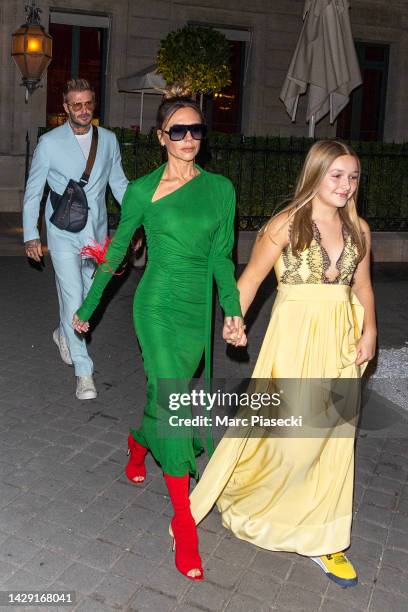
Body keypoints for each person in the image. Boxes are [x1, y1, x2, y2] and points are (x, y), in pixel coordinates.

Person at [72, 84, 244, 580]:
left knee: (166, 395)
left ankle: (138, 440)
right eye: (179, 131)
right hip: (156, 307)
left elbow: (221, 257)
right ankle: (183, 519)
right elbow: (118, 251)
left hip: (196, 312)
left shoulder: (221, 189)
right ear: (161, 136)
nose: (189, 138)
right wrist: (86, 307)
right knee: (174, 401)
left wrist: (231, 311)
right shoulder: (143, 191)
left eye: (196, 130)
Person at [189, 139, 377, 588]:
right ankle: (258, 499)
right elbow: (250, 279)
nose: (346, 185)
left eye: (352, 177)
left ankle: (322, 537)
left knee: (333, 441)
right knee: (292, 439)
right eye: (336, 175)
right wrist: (234, 320)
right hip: (293, 341)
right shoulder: (286, 225)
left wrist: (370, 331)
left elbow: (363, 287)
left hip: (341, 341)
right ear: (315, 174)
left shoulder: (359, 230)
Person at [23, 78, 128, 400]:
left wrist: (140, 219)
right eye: (76, 105)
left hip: (95, 234)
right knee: (73, 299)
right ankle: (84, 371)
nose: (83, 110)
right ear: (66, 107)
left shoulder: (108, 140)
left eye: (88, 104)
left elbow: (120, 184)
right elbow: (33, 192)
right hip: (62, 233)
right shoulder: (50, 143)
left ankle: (62, 332)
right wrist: (31, 235)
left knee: (87, 294)